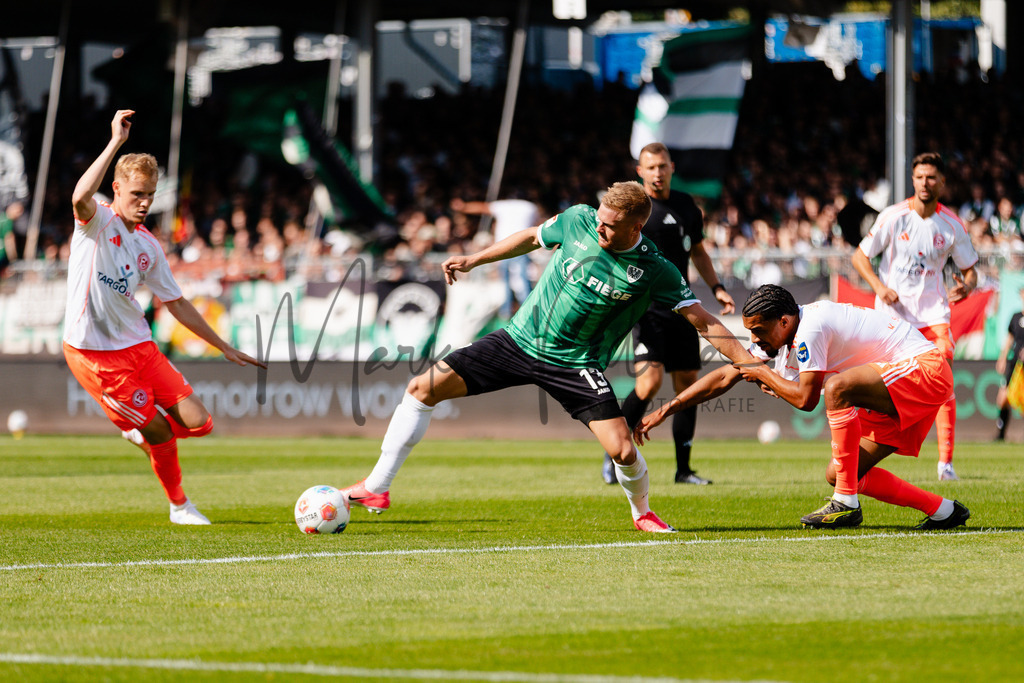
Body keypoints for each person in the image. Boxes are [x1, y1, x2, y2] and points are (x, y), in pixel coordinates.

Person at [342, 181, 755, 533]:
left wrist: (749, 362)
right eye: (598, 218)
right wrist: (475, 259)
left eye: (610, 226)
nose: (599, 229)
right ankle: (378, 486)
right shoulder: (578, 219)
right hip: (518, 341)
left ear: (637, 227)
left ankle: (642, 513)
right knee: (421, 388)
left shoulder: (656, 270)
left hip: (576, 365)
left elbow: (703, 321)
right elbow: (530, 237)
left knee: (624, 451)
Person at [63, 110, 264, 525]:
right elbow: (80, 197)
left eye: (150, 195)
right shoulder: (95, 222)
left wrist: (224, 347)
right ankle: (179, 505)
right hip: (96, 357)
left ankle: (137, 431)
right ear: (116, 190)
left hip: (140, 345)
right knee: (162, 433)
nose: (145, 202)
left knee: (201, 423)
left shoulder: (148, 246)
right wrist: (115, 142)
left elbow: (177, 302)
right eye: (137, 193)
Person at [635, 284, 969, 531]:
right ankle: (943, 511)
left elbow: (806, 400)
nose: (754, 340)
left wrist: (763, 373)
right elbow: (726, 376)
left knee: (837, 388)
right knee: (841, 474)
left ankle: (845, 505)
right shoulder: (785, 335)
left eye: (758, 331)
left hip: (924, 368)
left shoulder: (811, 326)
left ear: (784, 321)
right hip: (897, 384)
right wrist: (668, 409)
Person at [601, 142, 735, 486]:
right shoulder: (633, 210)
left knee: (687, 386)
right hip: (646, 309)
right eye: (651, 167)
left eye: (662, 166)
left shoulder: (686, 206)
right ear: (640, 172)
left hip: (682, 307)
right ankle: (613, 452)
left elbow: (699, 252)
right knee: (648, 382)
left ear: (671, 167)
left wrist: (717, 287)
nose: (657, 173)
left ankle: (683, 470)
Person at [851, 152, 979, 481]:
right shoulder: (893, 217)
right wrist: (879, 287)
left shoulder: (951, 224)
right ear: (913, 180)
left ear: (942, 182)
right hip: (893, 314)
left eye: (932, 177)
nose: (925, 183)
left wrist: (967, 286)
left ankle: (945, 463)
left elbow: (970, 271)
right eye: (920, 177)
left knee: (944, 376)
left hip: (933, 312)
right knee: (873, 380)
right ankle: (864, 445)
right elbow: (859, 257)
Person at [450, 195, 542, 319]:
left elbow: (482, 207)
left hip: (503, 249)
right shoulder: (530, 207)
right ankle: (528, 310)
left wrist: (464, 207)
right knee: (522, 279)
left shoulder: (503, 205)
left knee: (507, 281)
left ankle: (507, 312)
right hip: (523, 248)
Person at [994, 286, 1024, 441]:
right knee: (1002, 398)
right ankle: (1000, 435)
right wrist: (1002, 358)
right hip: (1015, 364)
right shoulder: (1016, 317)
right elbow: (1009, 339)